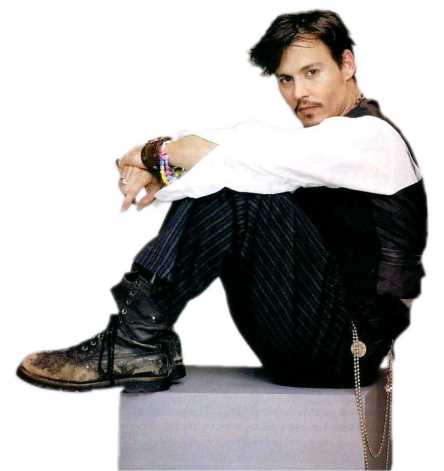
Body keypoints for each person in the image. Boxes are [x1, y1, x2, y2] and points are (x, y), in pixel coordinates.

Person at [16, 9, 427, 393]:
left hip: (344, 349)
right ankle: (137, 338)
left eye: (312, 72)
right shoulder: (330, 143)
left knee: (233, 183)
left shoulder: (372, 139)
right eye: (286, 79)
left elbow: (240, 151)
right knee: (234, 173)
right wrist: (171, 164)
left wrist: (150, 156)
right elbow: (242, 150)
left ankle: (134, 340)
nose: (299, 93)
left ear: (347, 64)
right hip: (314, 334)